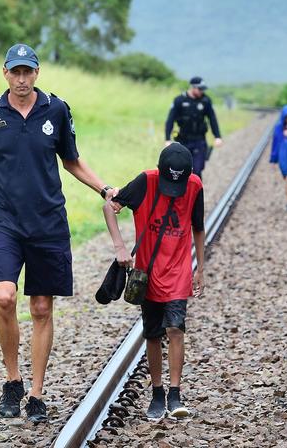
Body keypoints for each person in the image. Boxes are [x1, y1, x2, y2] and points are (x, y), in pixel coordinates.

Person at [0, 43, 118, 422]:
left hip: (48, 223)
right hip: (5, 223)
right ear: (4, 73)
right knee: (5, 297)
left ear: (37, 73)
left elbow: (72, 160)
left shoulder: (57, 109)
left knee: (40, 307)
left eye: (27, 72)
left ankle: (35, 393)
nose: (21, 79)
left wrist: (104, 189)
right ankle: (12, 381)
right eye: (14, 72)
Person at [103, 143, 205, 420]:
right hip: (147, 273)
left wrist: (201, 269)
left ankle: (175, 393)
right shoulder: (145, 181)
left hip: (179, 270)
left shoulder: (194, 185)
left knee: (175, 329)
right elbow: (110, 207)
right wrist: (119, 247)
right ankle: (157, 392)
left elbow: (198, 226)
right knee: (152, 334)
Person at [164, 76, 222, 179]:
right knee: (181, 169)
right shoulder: (179, 100)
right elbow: (170, 120)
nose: (201, 91)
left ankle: (196, 193)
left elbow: (212, 119)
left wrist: (217, 136)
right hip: (183, 140)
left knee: (197, 170)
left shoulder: (206, 100)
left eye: (203, 89)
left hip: (199, 141)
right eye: (200, 89)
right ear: (193, 87)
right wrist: (167, 139)